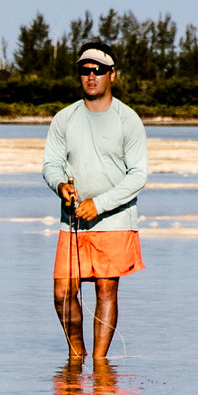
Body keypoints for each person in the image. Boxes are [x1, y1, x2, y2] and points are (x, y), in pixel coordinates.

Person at [43, 40, 147, 361]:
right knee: (63, 291)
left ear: (112, 75)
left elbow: (138, 175)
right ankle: (76, 358)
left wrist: (99, 204)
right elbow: (51, 164)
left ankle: (100, 364)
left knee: (106, 290)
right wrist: (60, 185)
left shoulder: (128, 119)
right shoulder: (64, 118)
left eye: (99, 70)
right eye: (85, 70)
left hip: (115, 220)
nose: (91, 76)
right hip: (72, 221)